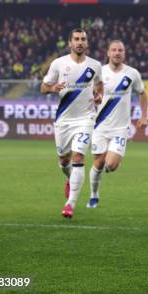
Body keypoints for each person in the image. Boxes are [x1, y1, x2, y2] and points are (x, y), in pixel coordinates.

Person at [41, 28, 103, 219]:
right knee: (64, 160)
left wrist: (99, 95)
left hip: (85, 119)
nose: (80, 42)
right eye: (76, 39)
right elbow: (43, 87)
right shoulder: (59, 64)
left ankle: (70, 204)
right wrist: (52, 88)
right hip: (63, 121)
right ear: (70, 43)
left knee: (78, 158)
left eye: (83, 39)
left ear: (87, 43)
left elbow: (99, 85)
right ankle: (70, 179)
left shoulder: (95, 65)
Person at [88, 40, 148, 208]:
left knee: (111, 165)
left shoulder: (132, 73)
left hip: (120, 128)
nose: (116, 53)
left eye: (120, 50)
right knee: (98, 164)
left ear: (124, 53)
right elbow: (89, 94)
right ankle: (94, 195)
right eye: (113, 50)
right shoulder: (99, 73)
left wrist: (144, 116)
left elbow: (142, 93)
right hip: (99, 126)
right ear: (108, 53)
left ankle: (114, 159)